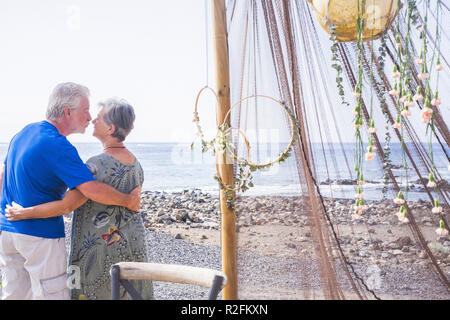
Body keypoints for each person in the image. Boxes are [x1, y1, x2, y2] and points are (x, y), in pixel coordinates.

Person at [0, 83, 141, 300]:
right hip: (39, 237)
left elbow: (3, 173)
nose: (89, 117)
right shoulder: (58, 145)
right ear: (67, 111)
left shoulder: (24, 132)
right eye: (85, 110)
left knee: (14, 295)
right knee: (52, 295)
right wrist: (128, 200)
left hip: (9, 233)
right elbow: (90, 190)